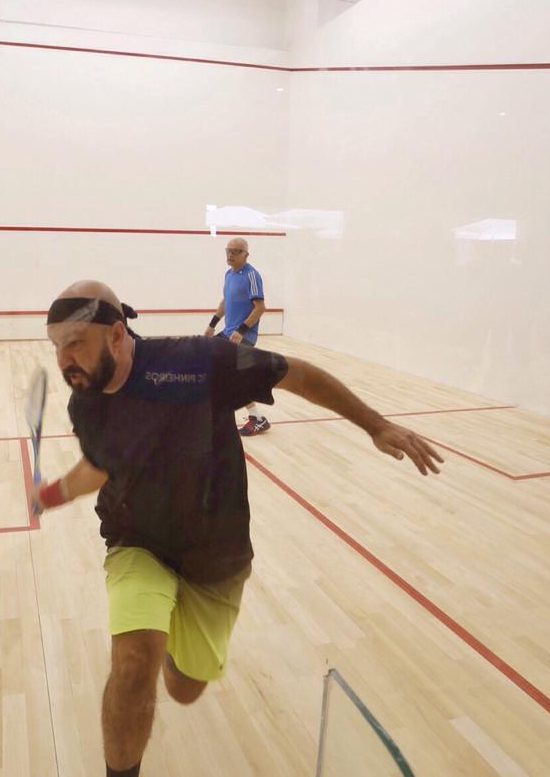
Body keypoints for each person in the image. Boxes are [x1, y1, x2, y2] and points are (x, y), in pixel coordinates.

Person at [33, 280, 443, 777]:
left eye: (75, 343)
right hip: (136, 540)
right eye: (57, 346)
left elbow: (297, 375)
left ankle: (176, 652)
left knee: (184, 688)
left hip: (216, 551)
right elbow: (101, 465)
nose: (64, 360)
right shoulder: (86, 403)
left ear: (117, 335)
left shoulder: (198, 362)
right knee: (133, 665)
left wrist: (375, 424)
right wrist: (53, 494)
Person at [204, 237, 271, 436]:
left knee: (234, 376)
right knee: (208, 361)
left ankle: (257, 419)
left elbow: (260, 307)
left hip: (244, 336)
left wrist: (241, 330)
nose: (231, 254)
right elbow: (226, 301)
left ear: (246, 255)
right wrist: (212, 324)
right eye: (229, 250)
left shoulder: (251, 275)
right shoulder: (229, 274)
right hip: (228, 333)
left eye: (236, 251)